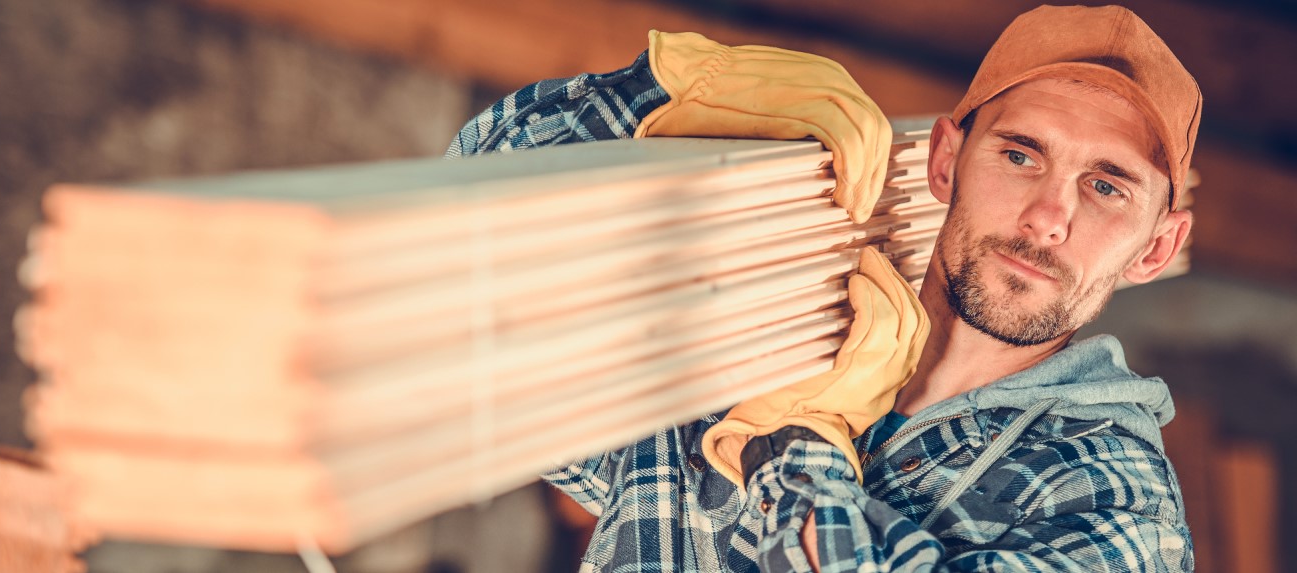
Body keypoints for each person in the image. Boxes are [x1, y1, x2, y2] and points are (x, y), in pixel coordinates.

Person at [448, 5, 1199, 572]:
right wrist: (661, 92)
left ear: (1157, 247)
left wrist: (798, 437)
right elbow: (463, 234)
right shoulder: (766, 321)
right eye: (1021, 154)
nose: (1049, 218)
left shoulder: (1116, 499)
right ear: (945, 160)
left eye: (1106, 186)